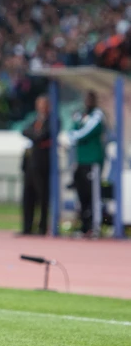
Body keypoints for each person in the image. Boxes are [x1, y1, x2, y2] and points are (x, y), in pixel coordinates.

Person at [68, 90, 105, 238]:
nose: (87, 102)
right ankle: (84, 226)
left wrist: (74, 135)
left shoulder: (97, 115)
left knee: (93, 195)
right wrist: (74, 132)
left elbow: (83, 132)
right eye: (86, 99)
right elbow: (72, 128)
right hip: (81, 160)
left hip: (93, 161)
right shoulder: (82, 115)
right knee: (82, 195)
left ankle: (95, 226)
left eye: (90, 99)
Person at [19, 95, 53, 236]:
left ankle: (42, 228)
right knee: (28, 195)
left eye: (42, 104)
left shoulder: (52, 120)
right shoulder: (36, 120)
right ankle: (27, 227)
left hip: (42, 163)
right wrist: (35, 134)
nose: (39, 107)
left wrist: (35, 135)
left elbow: (41, 136)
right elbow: (24, 131)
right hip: (30, 163)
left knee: (43, 197)